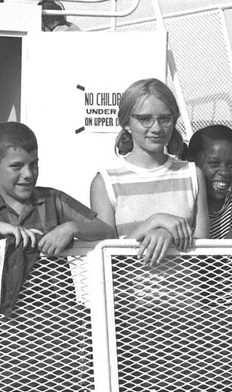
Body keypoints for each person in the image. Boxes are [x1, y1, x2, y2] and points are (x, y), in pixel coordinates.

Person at [0, 121, 115, 252]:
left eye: (33, 164)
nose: (29, 174)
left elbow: (106, 231)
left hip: (53, 301)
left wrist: (71, 228)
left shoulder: (53, 200)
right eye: (16, 166)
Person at [89, 79, 207, 266]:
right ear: (126, 122)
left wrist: (168, 234)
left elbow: (205, 250)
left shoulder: (192, 174)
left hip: (186, 295)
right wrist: (155, 222)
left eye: (165, 118)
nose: (156, 128)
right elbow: (105, 261)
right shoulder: (105, 183)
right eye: (145, 119)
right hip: (126, 295)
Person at [187, 124, 232, 238]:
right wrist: (230, 239)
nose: (224, 172)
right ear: (192, 163)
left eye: (231, 164)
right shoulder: (183, 212)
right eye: (214, 164)